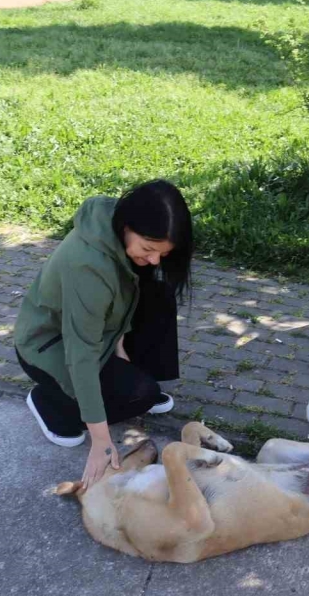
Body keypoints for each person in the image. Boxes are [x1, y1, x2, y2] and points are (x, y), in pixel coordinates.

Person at [14, 180, 193, 489]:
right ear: (127, 226)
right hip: (49, 346)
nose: (154, 260)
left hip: (95, 334)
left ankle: (122, 385)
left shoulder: (118, 226)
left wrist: (120, 347)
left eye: (162, 253)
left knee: (159, 296)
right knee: (142, 393)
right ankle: (50, 402)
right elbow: (80, 354)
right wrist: (101, 441)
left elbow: (126, 296)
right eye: (149, 249)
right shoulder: (88, 268)